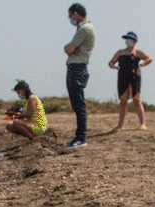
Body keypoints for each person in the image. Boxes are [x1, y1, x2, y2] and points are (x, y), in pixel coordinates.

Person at [64, 3, 95, 148]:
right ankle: (79, 136)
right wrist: (70, 49)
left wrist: (71, 49)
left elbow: (69, 49)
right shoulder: (81, 29)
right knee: (76, 104)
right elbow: (69, 49)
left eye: (71, 15)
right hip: (75, 68)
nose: (70, 19)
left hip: (78, 68)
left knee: (79, 104)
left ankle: (81, 138)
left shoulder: (85, 29)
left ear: (76, 14)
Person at [107, 31, 152, 130]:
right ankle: (120, 125)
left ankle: (142, 124)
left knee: (136, 99)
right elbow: (111, 62)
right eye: (126, 39)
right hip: (122, 77)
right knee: (123, 100)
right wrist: (113, 67)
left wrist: (141, 66)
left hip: (134, 77)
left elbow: (149, 58)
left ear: (134, 41)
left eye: (130, 39)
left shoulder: (137, 52)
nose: (127, 41)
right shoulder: (120, 52)